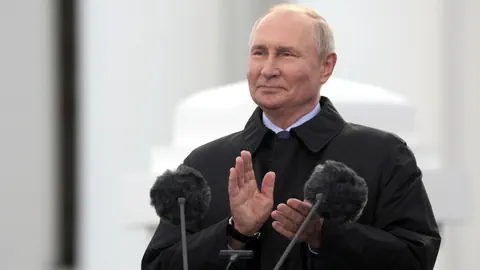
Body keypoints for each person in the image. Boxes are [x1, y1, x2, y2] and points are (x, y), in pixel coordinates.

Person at [141, 3, 441, 270]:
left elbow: (417, 257)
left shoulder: (383, 155)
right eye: (260, 53)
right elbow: (158, 264)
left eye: (285, 54)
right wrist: (235, 233)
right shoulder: (206, 162)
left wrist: (324, 235)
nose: (268, 69)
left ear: (326, 66)